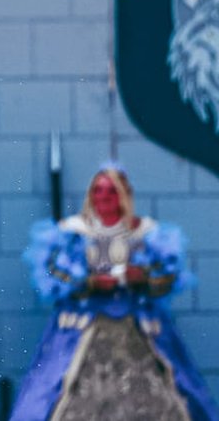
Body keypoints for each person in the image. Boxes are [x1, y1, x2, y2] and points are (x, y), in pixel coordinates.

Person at [12, 163, 218, 421]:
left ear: (124, 195)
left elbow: (169, 275)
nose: (104, 197)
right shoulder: (73, 232)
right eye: (98, 191)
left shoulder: (145, 233)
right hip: (81, 328)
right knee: (58, 390)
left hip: (139, 329)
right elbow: (51, 273)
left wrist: (142, 278)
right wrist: (89, 283)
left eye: (111, 191)